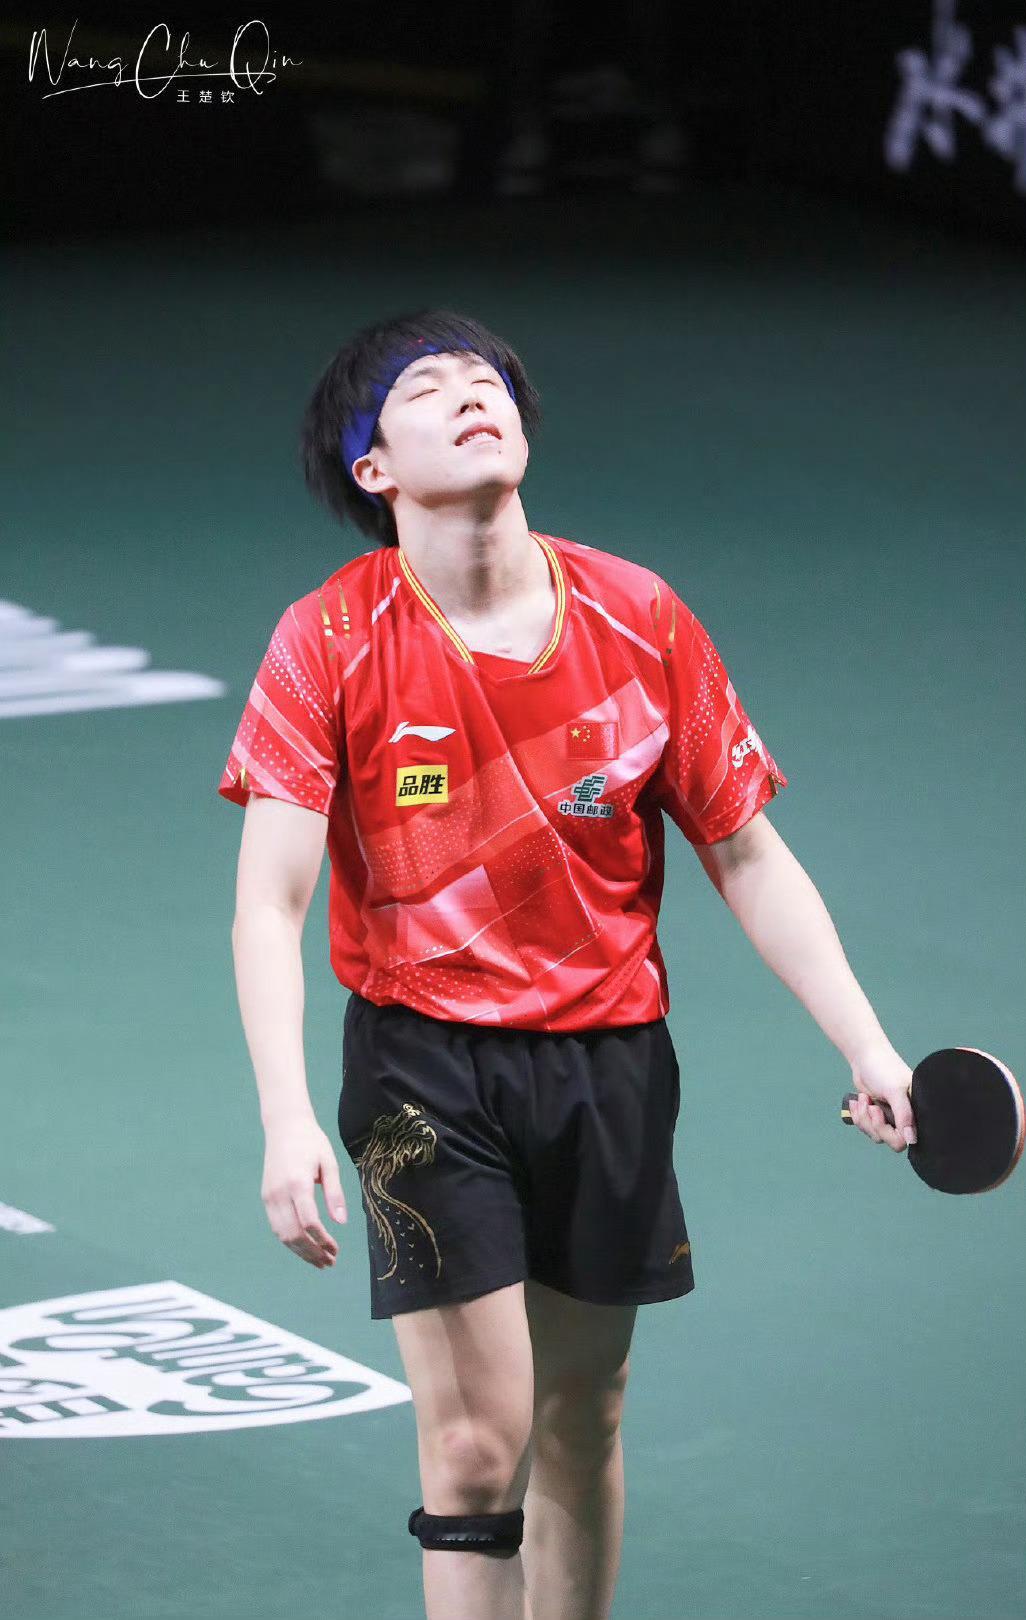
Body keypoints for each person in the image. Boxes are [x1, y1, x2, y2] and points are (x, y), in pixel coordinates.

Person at [217, 308, 916, 1620]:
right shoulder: (332, 639)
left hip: (611, 1062)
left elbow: (747, 854)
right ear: (374, 469)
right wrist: (285, 1113)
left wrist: (867, 1044)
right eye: (428, 388)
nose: (471, 393)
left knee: (583, 1415)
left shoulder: (638, 616)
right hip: (423, 1065)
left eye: (488, 379)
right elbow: (272, 901)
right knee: (476, 1443)